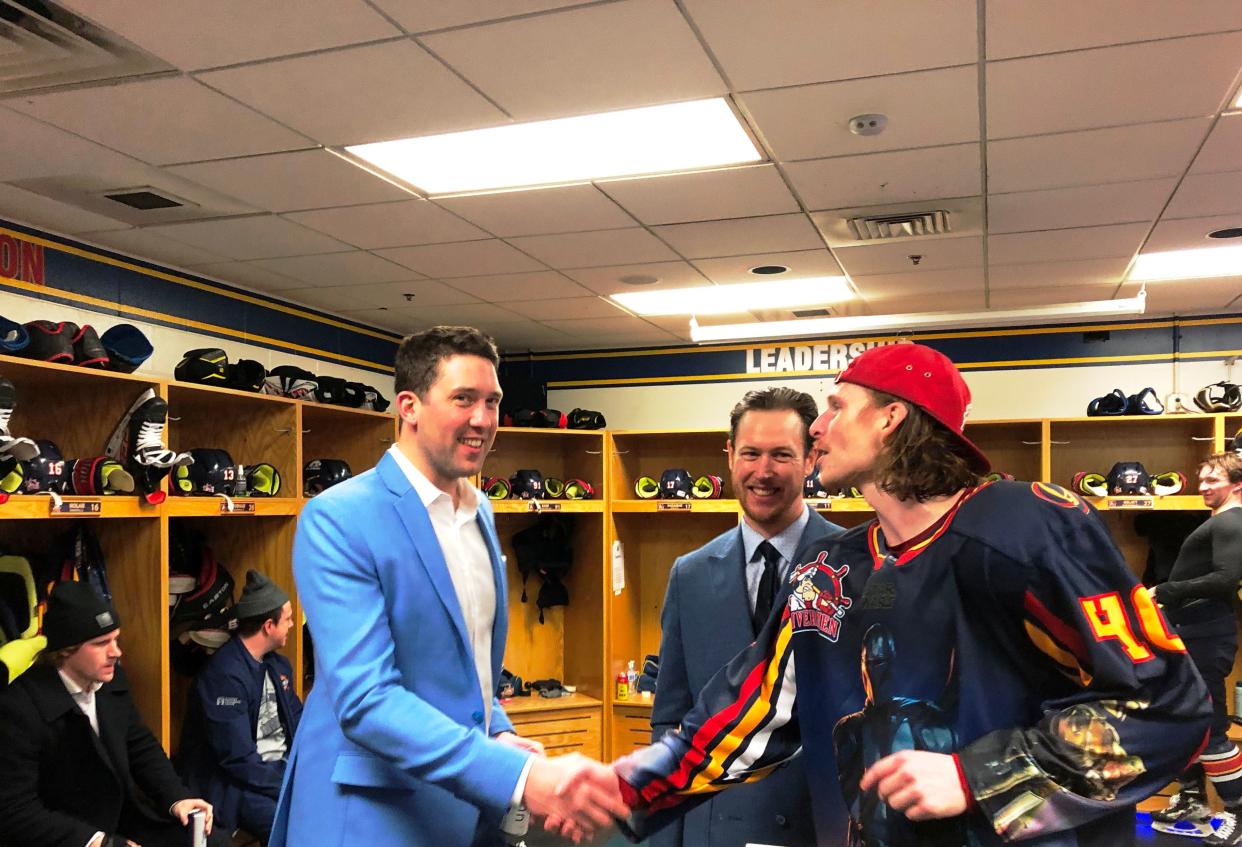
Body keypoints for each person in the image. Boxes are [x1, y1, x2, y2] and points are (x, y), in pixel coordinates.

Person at [611, 342, 1211, 847]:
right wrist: (619, 791)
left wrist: (981, 776)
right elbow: (749, 715)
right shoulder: (831, 567)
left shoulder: (1024, 525)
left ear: (891, 418)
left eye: (837, 407)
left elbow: (1167, 703)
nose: (818, 428)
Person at [270, 325, 627, 847]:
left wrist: (501, 733)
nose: (483, 419)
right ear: (409, 406)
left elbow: (470, 665)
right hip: (373, 817)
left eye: (492, 401)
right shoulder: (338, 518)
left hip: (467, 812)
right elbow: (367, 700)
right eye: (463, 399)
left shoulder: (479, 510)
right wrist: (520, 779)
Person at [651, 386, 841, 847]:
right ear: (730, 454)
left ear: (811, 458)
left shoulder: (852, 565)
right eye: (751, 453)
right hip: (714, 827)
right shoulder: (690, 574)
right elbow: (669, 720)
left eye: (782, 454)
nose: (764, 471)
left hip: (817, 827)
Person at [0, 581, 227, 847]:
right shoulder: (18, 707)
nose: (115, 652)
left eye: (115, 639)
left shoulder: (110, 681)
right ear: (66, 649)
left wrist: (177, 797)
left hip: (122, 817)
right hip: (66, 835)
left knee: (212, 842)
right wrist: (101, 843)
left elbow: (140, 746)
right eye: (101, 643)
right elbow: (16, 811)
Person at [1148, 452, 1242, 845]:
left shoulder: (1232, 521)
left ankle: (1238, 814)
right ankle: (1192, 800)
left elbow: (1227, 578)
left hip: (1207, 633)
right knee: (1184, 716)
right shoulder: (1219, 521)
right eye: (1201, 479)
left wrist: (1165, 590)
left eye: (1214, 480)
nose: (1203, 486)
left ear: (1237, 484)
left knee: (1209, 722)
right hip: (1192, 630)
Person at [178, 570, 303, 844]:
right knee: (296, 827)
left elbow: (300, 722)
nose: (293, 625)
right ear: (269, 625)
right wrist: (287, 787)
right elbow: (237, 759)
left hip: (277, 772)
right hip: (237, 785)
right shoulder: (224, 676)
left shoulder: (277, 665)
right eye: (288, 619)